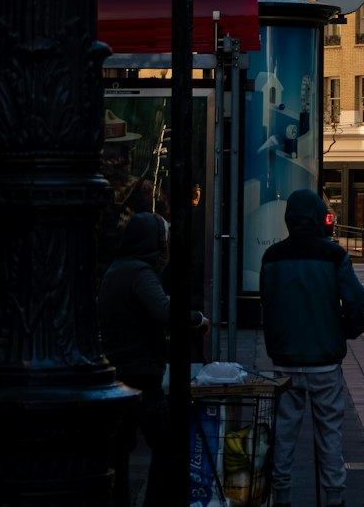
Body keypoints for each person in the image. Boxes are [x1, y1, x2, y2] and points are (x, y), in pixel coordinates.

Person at [260, 188, 364, 507]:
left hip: (285, 358)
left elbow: (268, 302)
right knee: (329, 433)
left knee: (284, 434)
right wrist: (347, 331)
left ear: (289, 218)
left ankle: (282, 494)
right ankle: (333, 495)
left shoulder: (272, 256)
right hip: (325, 359)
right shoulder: (333, 254)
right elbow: (356, 300)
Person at [98, 211, 210, 507]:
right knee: (169, 444)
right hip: (141, 373)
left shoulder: (117, 269)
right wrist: (196, 319)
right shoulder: (140, 273)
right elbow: (164, 311)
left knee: (119, 451)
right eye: (164, 240)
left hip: (120, 370)